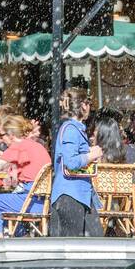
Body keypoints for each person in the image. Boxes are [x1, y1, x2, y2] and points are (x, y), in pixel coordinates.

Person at [0, 114, 51, 239]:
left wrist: (1, 159)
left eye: (2, 135)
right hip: (43, 201)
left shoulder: (17, 146)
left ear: (11, 135)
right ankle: (23, 238)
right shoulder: (37, 145)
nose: (2, 139)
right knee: (7, 201)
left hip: (30, 202)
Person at [49, 87, 103, 237]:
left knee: (96, 239)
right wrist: (92, 155)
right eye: (88, 104)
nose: (90, 108)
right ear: (83, 106)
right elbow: (71, 162)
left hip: (80, 195)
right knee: (72, 248)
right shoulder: (71, 129)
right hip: (70, 196)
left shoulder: (75, 129)